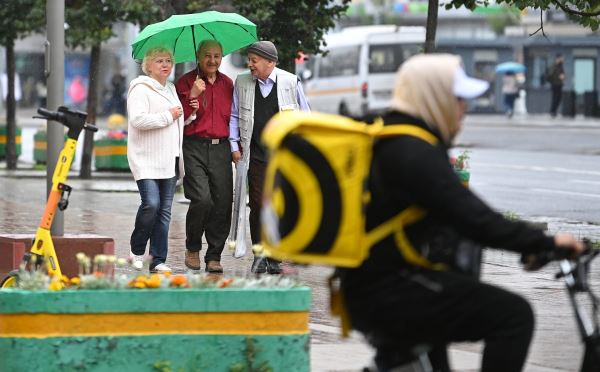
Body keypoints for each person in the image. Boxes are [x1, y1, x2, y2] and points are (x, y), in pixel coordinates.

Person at [340, 54, 585, 372]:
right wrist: (544, 242)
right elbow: (473, 218)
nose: (463, 108)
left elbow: (459, 216)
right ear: (434, 98)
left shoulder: (394, 137)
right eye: (457, 98)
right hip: (392, 292)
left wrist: (531, 243)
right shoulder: (412, 151)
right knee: (513, 316)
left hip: (375, 288)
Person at [229, 41, 310, 274]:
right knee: (257, 204)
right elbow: (235, 116)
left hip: (284, 157)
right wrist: (234, 146)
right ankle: (259, 254)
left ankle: (275, 256)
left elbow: (305, 116)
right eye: (250, 60)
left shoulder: (290, 82)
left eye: (254, 60)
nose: (250, 64)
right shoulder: (243, 83)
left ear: (270, 63)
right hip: (255, 155)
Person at [175, 40, 234, 273]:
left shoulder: (228, 84)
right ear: (198, 57)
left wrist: (236, 146)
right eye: (207, 56)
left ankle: (214, 256)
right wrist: (193, 94)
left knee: (222, 203)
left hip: (221, 148)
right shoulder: (185, 82)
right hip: (194, 146)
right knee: (201, 199)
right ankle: (192, 247)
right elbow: (179, 117)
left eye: (217, 56)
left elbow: (235, 118)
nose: (212, 60)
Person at [126, 46, 186, 273]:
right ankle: (136, 250)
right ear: (148, 65)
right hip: (146, 158)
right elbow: (138, 120)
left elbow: (175, 123)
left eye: (169, 60)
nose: (165, 64)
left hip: (169, 158)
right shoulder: (140, 88)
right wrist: (168, 115)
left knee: (164, 211)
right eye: (160, 60)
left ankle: (158, 260)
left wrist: (188, 115)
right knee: (151, 204)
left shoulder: (171, 88)